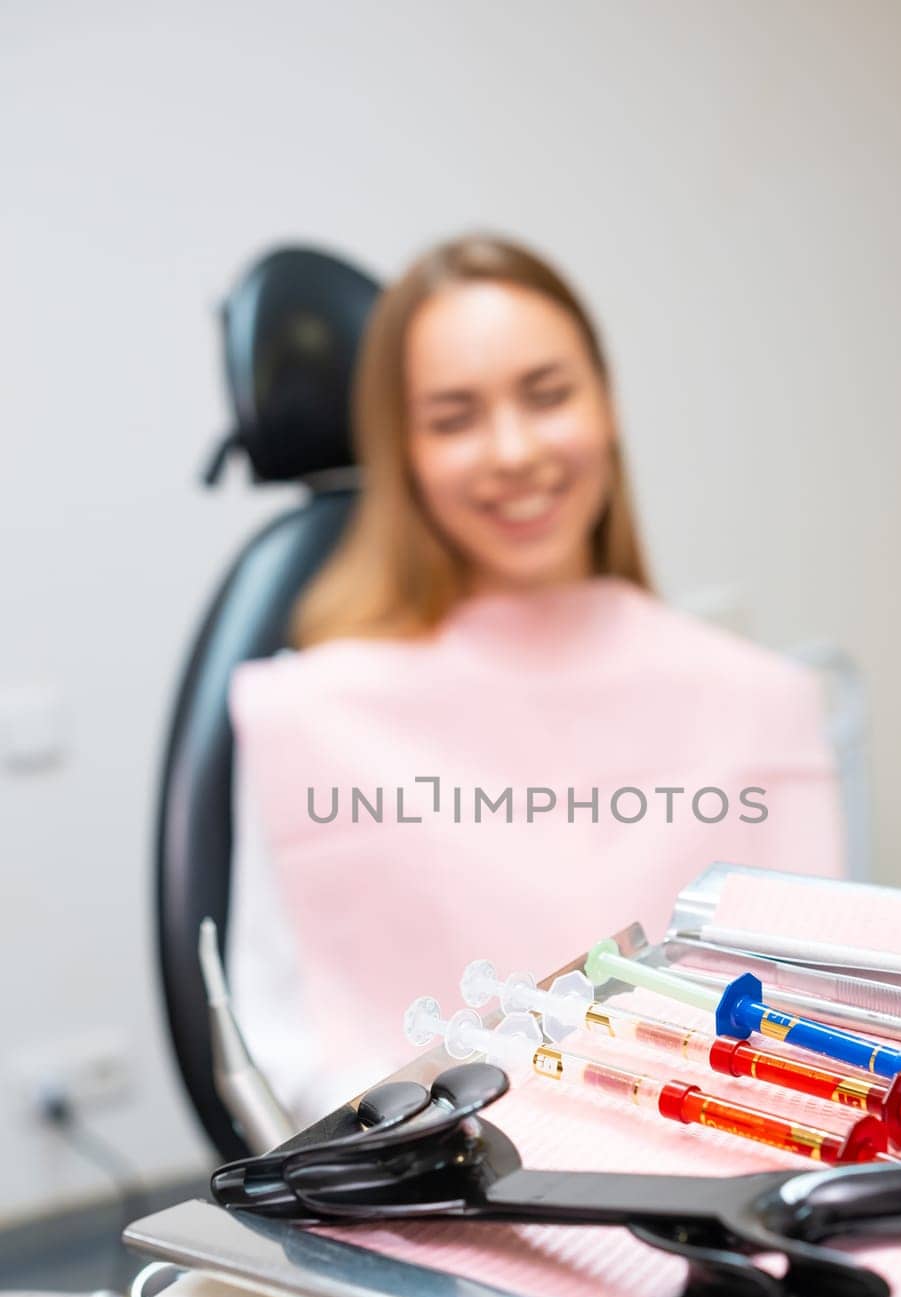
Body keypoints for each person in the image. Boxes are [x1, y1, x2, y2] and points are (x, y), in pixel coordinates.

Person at [227, 234, 843, 1125]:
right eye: (453, 418)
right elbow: (290, 1039)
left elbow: (817, 1012)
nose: (512, 450)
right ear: (402, 452)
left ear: (607, 405)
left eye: (547, 396)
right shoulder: (309, 716)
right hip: (431, 1197)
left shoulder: (759, 700)